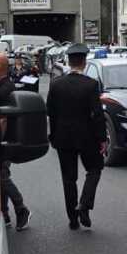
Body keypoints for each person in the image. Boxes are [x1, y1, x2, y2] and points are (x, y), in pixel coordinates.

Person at [47, 43, 108, 230]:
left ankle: (73, 219)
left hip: (63, 137)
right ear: (84, 62)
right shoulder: (91, 85)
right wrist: (102, 139)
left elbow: (50, 111)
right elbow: (97, 115)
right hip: (87, 137)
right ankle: (84, 204)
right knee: (95, 169)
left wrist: (54, 134)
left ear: (69, 61)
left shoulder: (56, 84)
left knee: (69, 179)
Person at [0, 53, 31, 231]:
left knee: (2, 177)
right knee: (0, 177)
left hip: (3, 140)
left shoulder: (4, 88)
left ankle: (21, 209)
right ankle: (4, 213)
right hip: (0, 139)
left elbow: (3, 119)